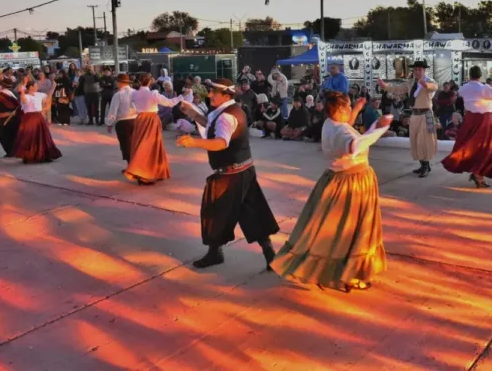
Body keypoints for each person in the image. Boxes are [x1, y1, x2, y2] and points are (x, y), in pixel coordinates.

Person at [271, 92, 391, 291]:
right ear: (341, 109)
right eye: (349, 107)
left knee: (332, 229)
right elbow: (355, 144)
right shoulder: (340, 132)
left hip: (335, 179)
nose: (350, 110)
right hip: (352, 182)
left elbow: (345, 126)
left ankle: (327, 269)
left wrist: (358, 109)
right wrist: (379, 128)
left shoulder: (330, 124)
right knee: (353, 229)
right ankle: (351, 274)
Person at [177, 79, 279, 269]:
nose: (209, 95)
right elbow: (212, 125)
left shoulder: (226, 116)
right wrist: (193, 113)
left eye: (213, 92)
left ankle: (215, 254)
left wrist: (193, 142)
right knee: (253, 212)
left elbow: (221, 142)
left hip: (230, 176)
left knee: (215, 212)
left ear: (226, 95)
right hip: (244, 171)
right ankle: (270, 256)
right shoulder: (230, 110)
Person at [442, 67, 492, 188]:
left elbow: (459, 93)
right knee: (486, 149)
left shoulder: (464, 88)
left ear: (469, 76)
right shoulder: (484, 88)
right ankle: (478, 174)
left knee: (470, 146)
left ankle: (477, 173)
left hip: (469, 120)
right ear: (481, 76)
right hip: (484, 120)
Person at [378, 60, 438, 178]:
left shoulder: (429, 81)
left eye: (419, 69)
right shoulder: (410, 83)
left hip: (425, 114)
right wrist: (385, 86)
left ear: (424, 70)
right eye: (415, 69)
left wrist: (425, 85)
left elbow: (434, 87)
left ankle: (425, 165)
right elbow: (397, 88)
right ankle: (424, 164)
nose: (417, 71)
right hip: (415, 115)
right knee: (415, 141)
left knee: (423, 141)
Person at [124, 73, 186, 185]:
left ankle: (153, 172)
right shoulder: (153, 94)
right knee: (150, 147)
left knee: (141, 145)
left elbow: (131, 108)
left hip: (140, 119)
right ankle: (144, 174)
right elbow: (169, 103)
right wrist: (182, 96)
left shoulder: (134, 94)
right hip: (151, 120)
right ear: (150, 81)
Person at [11, 77, 62, 164]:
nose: (37, 87)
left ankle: (44, 155)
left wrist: (53, 87)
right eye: (35, 86)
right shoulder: (27, 96)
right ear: (30, 87)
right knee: (29, 137)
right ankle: (28, 156)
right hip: (29, 118)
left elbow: (48, 96)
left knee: (42, 137)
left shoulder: (39, 94)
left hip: (38, 117)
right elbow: (24, 101)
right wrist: (22, 91)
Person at [106, 73, 137, 166]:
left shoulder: (118, 95)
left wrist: (109, 123)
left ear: (120, 82)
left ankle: (131, 166)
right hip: (135, 120)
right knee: (135, 144)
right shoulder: (135, 92)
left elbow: (113, 111)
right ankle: (136, 165)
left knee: (125, 145)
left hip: (123, 122)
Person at [0, 78, 21, 156]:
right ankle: (15, 151)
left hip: (4, 118)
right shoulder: (16, 94)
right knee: (15, 134)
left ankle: (10, 152)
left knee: (3, 135)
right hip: (15, 117)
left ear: (2, 85)